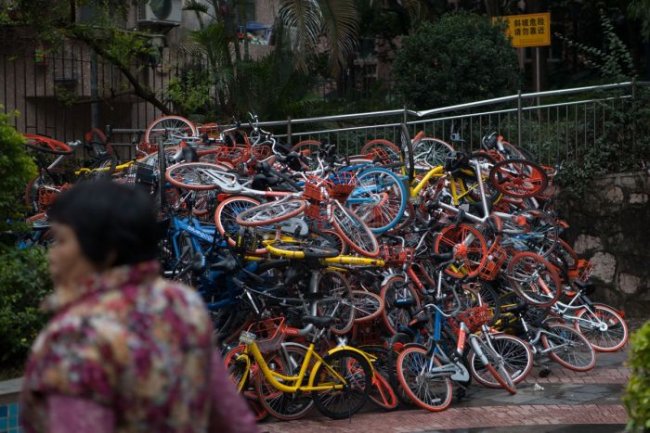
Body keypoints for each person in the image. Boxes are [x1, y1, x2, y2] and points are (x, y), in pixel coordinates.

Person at [20, 180, 260, 433]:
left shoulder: (77, 334)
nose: (53, 255)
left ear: (106, 249)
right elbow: (232, 418)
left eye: (62, 241)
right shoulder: (180, 304)